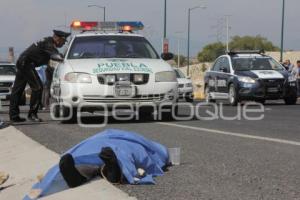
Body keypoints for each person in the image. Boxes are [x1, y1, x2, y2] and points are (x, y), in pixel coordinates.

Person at [9, 30, 70, 122]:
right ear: (58, 39)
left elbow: (54, 54)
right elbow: (55, 55)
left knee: (17, 90)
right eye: (63, 41)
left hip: (23, 62)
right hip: (26, 64)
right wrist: (63, 60)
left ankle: (14, 116)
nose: (64, 43)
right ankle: (32, 114)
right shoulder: (49, 44)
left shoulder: (48, 42)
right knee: (37, 87)